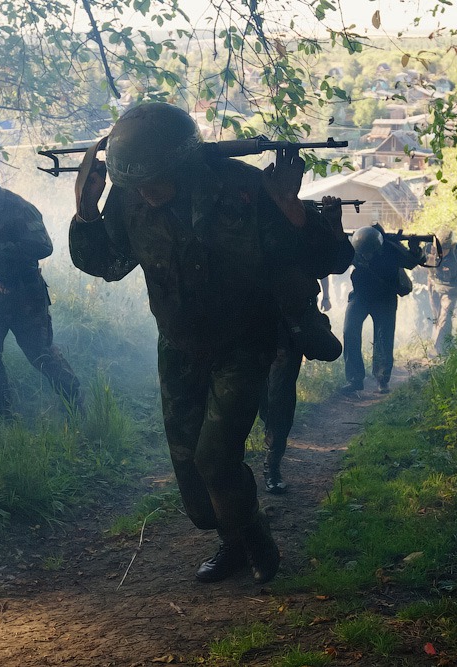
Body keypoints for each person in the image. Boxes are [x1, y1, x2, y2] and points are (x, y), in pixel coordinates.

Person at [70, 102, 344, 584]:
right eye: (139, 185)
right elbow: (108, 265)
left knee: (215, 458)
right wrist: (88, 212)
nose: (149, 194)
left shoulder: (242, 188)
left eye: (157, 181)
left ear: (184, 166)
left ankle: (256, 540)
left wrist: (292, 210)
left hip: (245, 341)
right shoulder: (130, 197)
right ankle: (232, 539)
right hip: (178, 344)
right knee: (194, 482)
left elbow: (333, 257)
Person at [0, 156, 83, 417]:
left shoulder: (18, 207)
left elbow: (43, 246)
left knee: (40, 354)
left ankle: (75, 405)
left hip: (26, 292)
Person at [258, 199, 353, 495]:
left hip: (291, 323)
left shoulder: (307, 220)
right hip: (252, 321)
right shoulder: (250, 213)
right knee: (256, 399)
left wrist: (334, 223)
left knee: (281, 400)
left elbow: (337, 261)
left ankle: (272, 465)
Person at [340, 225, 426, 395]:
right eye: (362, 253)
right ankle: (355, 379)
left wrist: (414, 248)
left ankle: (382, 379)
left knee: (384, 337)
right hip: (360, 296)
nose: (365, 255)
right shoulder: (355, 249)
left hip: (384, 298)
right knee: (349, 331)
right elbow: (338, 263)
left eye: (369, 252)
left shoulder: (391, 249)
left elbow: (411, 262)